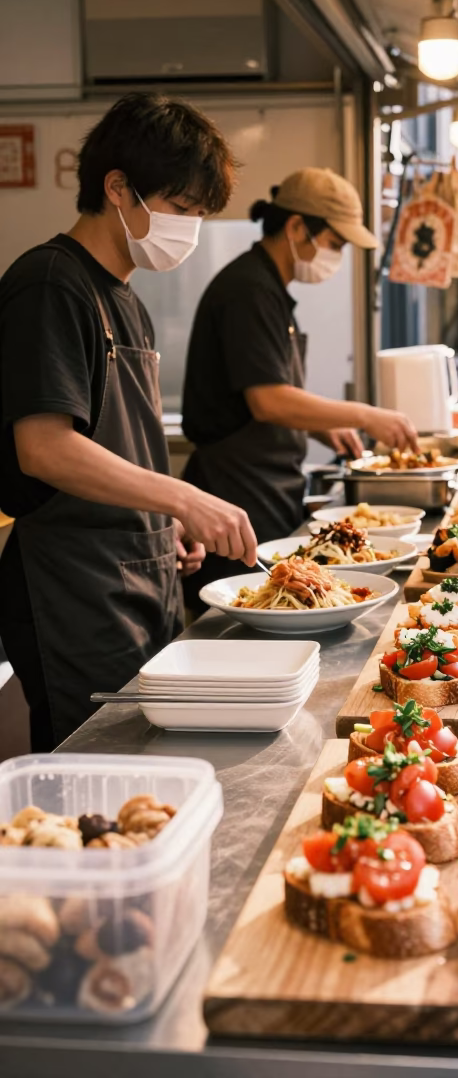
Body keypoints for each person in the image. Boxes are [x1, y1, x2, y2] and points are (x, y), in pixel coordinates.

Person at [0, 94, 258, 751]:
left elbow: (120, 447)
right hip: (73, 590)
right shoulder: (50, 283)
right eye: (181, 208)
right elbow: (44, 448)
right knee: (97, 777)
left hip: (141, 574)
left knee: (152, 763)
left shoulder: (127, 300)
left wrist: (163, 520)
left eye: (201, 214)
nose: (191, 228)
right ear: (117, 188)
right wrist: (183, 495)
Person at [180, 169, 418, 608]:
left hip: (265, 488)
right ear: (295, 227)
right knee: (250, 615)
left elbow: (260, 392)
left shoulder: (269, 288)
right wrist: (364, 415)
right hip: (237, 491)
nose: (337, 255)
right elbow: (268, 400)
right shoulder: (249, 289)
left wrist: (319, 428)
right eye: (335, 243)